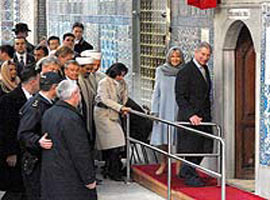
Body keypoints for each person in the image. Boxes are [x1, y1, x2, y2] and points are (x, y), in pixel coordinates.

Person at [41, 80, 97, 200]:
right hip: (70, 179)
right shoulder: (71, 118)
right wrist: (89, 179)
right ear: (75, 94)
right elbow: (80, 152)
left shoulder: (49, 113)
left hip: (52, 177)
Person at [17, 72, 62, 200]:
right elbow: (23, 134)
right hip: (35, 162)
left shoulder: (49, 103)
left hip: (46, 161)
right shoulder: (35, 106)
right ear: (54, 87)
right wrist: (37, 141)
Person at [175, 41, 213, 187]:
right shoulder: (186, 71)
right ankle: (189, 174)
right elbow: (180, 96)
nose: (205, 58)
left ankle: (186, 170)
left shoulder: (205, 69)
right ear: (196, 53)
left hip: (204, 116)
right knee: (192, 147)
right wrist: (190, 115)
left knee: (205, 146)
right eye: (203, 54)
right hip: (191, 117)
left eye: (208, 55)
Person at [0, 68, 39, 200]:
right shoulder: (9, 100)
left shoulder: (35, 99)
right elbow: (6, 129)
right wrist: (10, 153)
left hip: (28, 152)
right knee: (15, 189)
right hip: (15, 152)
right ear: (33, 82)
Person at [150, 46, 185, 176]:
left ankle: (179, 165)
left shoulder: (185, 71)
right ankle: (163, 163)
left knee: (179, 138)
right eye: (172, 56)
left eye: (178, 56)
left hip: (179, 108)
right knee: (163, 138)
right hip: (164, 107)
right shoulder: (161, 70)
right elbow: (156, 91)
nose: (175, 59)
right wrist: (155, 110)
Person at [94, 62, 130, 181]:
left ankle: (112, 168)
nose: (121, 77)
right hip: (103, 115)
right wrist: (120, 108)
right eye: (119, 74)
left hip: (115, 114)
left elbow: (124, 97)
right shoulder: (104, 82)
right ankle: (113, 170)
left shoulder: (122, 83)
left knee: (116, 143)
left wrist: (122, 107)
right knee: (114, 142)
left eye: (123, 75)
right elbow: (104, 99)